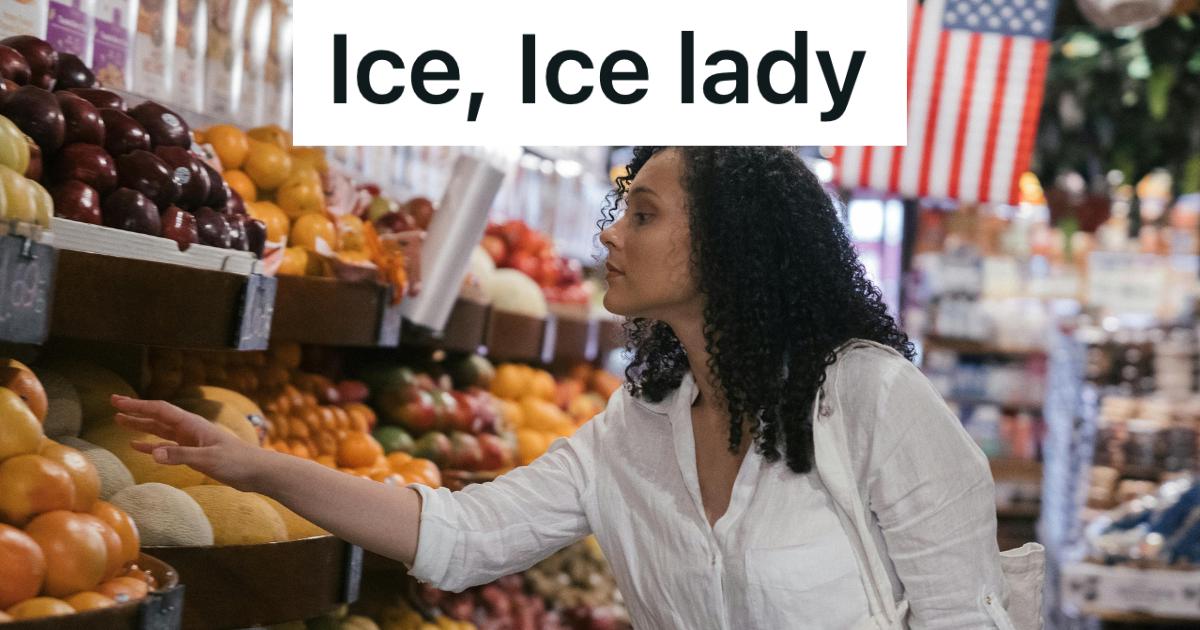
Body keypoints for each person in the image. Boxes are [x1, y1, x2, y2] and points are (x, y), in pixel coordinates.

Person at [113, 147, 1008, 629]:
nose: (610, 235)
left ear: (733, 249)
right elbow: (463, 535)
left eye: (644, 214)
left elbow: (966, 617)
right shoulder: (637, 427)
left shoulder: (871, 399)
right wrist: (256, 466)